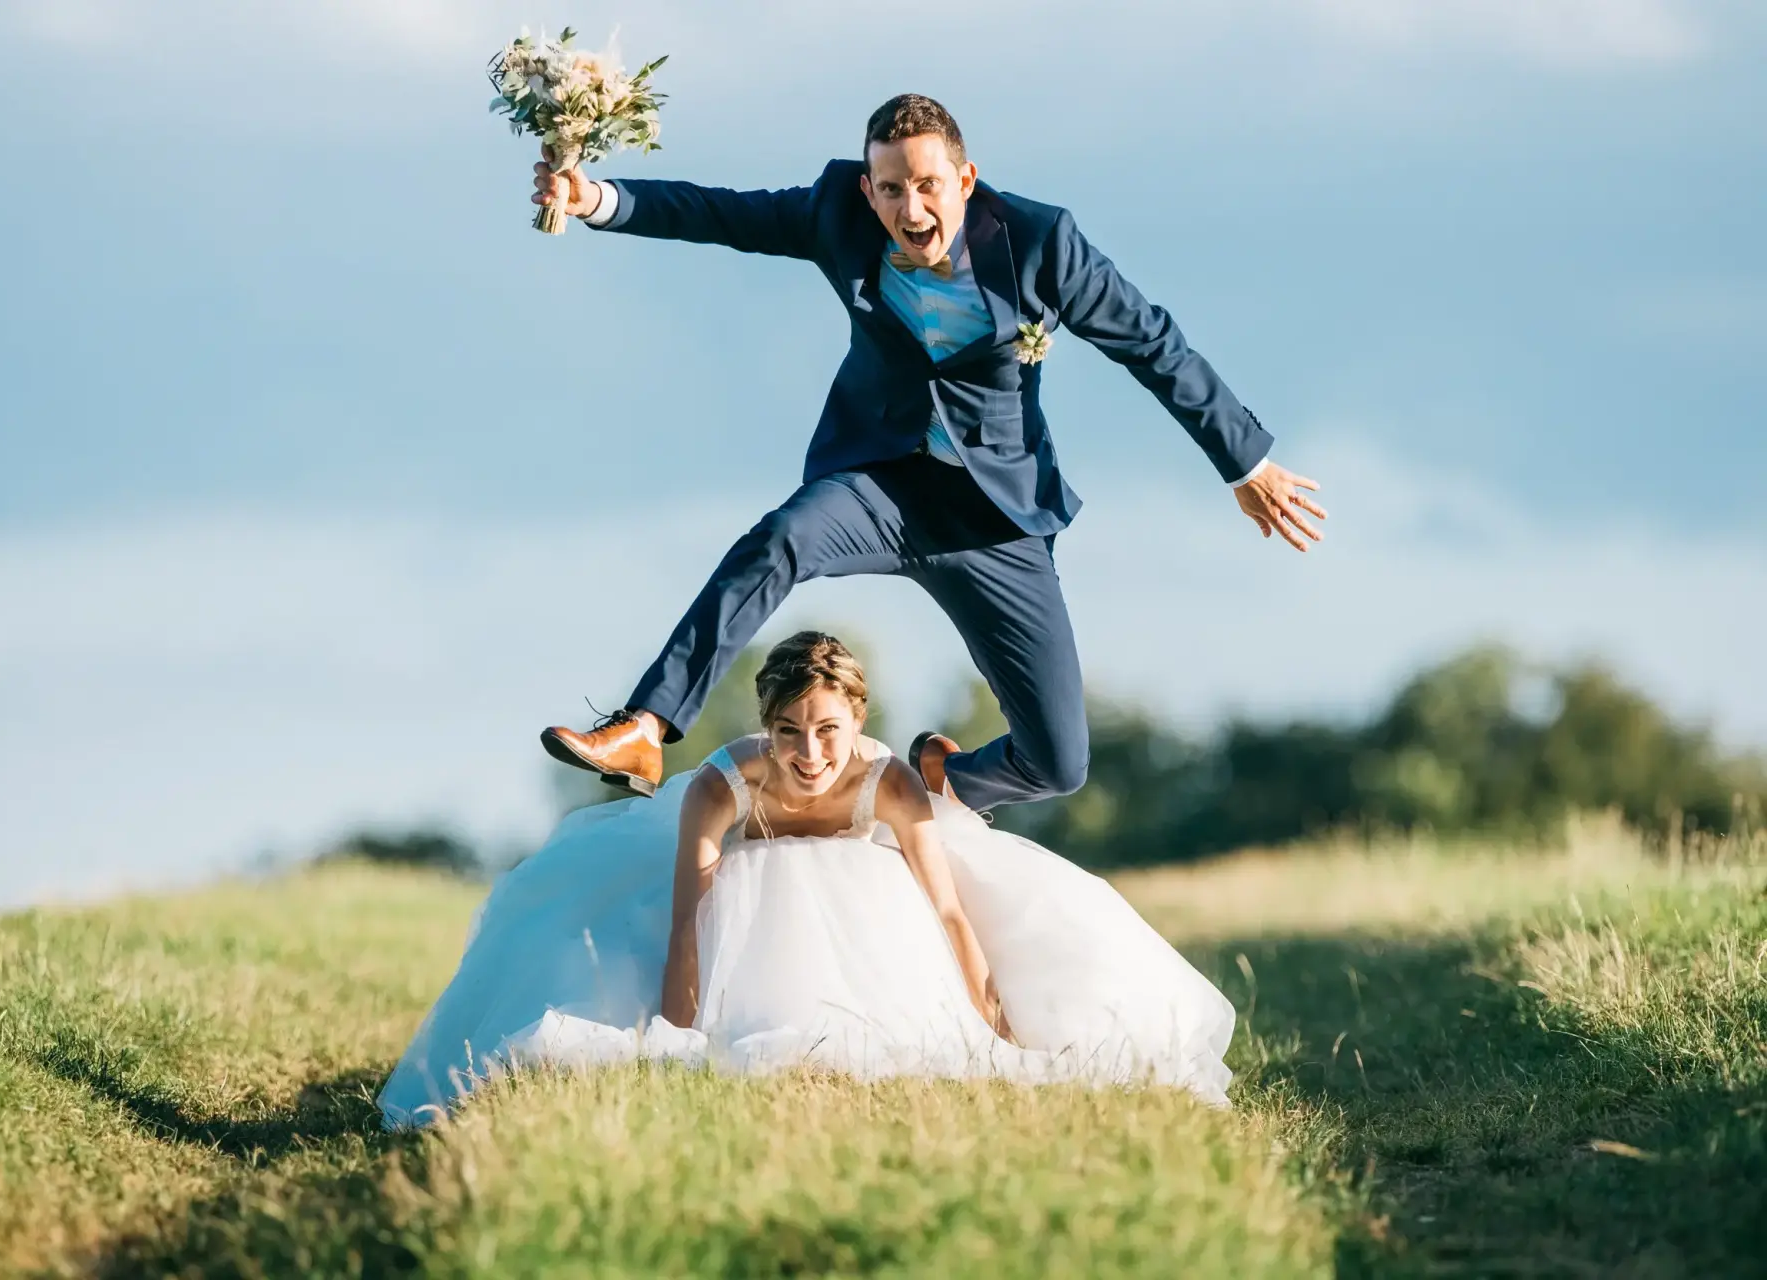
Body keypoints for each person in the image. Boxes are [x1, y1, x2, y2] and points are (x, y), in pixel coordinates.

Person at [533, 94, 1327, 811]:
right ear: (866, 191)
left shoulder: (1043, 243)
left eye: (927, 186)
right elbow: (718, 213)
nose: (909, 208)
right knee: (779, 538)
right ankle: (647, 723)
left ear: (966, 179)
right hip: (879, 487)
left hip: (994, 521)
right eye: (889, 189)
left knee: (1059, 762)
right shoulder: (835, 217)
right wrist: (597, 198)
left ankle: (945, 780)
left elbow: (1155, 345)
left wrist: (1244, 464)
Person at [378, 632, 1235, 1130]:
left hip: (871, 902)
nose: (810, 752)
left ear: (858, 720)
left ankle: (945, 771)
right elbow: (689, 919)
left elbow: (949, 913)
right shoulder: (724, 785)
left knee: (936, 896)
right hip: (738, 914)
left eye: (827, 729)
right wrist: (677, 1041)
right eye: (788, 731)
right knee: (627, 926)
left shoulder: (883, 781)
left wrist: (997, 1032)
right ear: (766, 728)